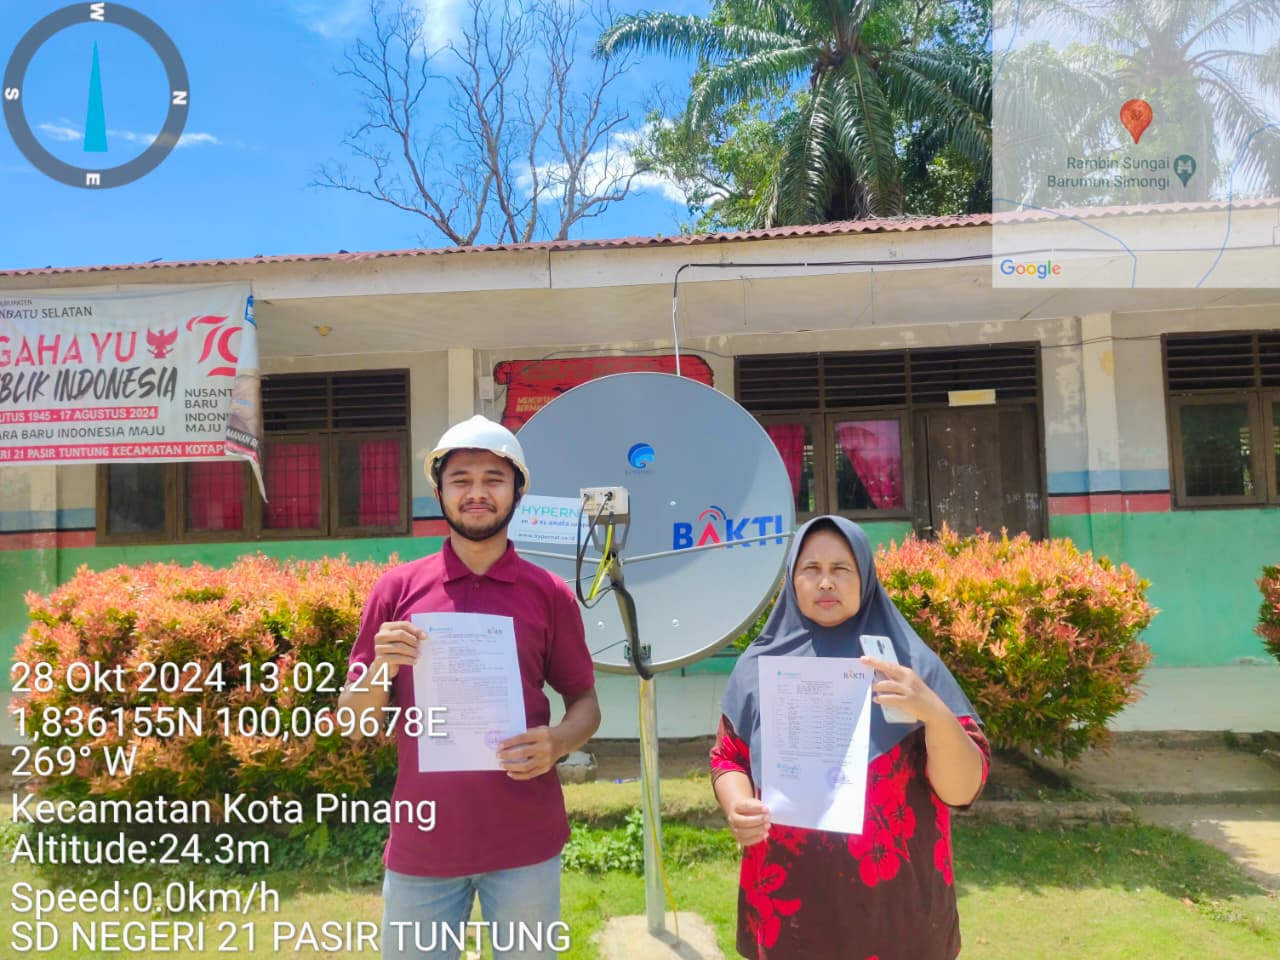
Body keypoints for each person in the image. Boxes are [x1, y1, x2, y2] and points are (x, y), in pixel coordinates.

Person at [339, 414, 600, 960]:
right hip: (424, 844)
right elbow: (353, 724)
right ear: (438, 492)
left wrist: (558, 743)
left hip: (525, 842)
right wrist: (381, 669)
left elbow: (585, 703)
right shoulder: (397, 590)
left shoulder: (549, 594)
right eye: (461, 480)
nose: (477, 493)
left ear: (516, 492)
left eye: (493, 479)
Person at [712, 515, 989, 960]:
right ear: (791, 579)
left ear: (866, 577)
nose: (825, 582)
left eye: (841, 569)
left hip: (895, 912)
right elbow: (729, 758)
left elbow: (962, 790)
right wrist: (737, 805)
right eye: (811, 569)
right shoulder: (760, 665)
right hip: (789, 905)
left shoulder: (908, 664)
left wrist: (933, 712)